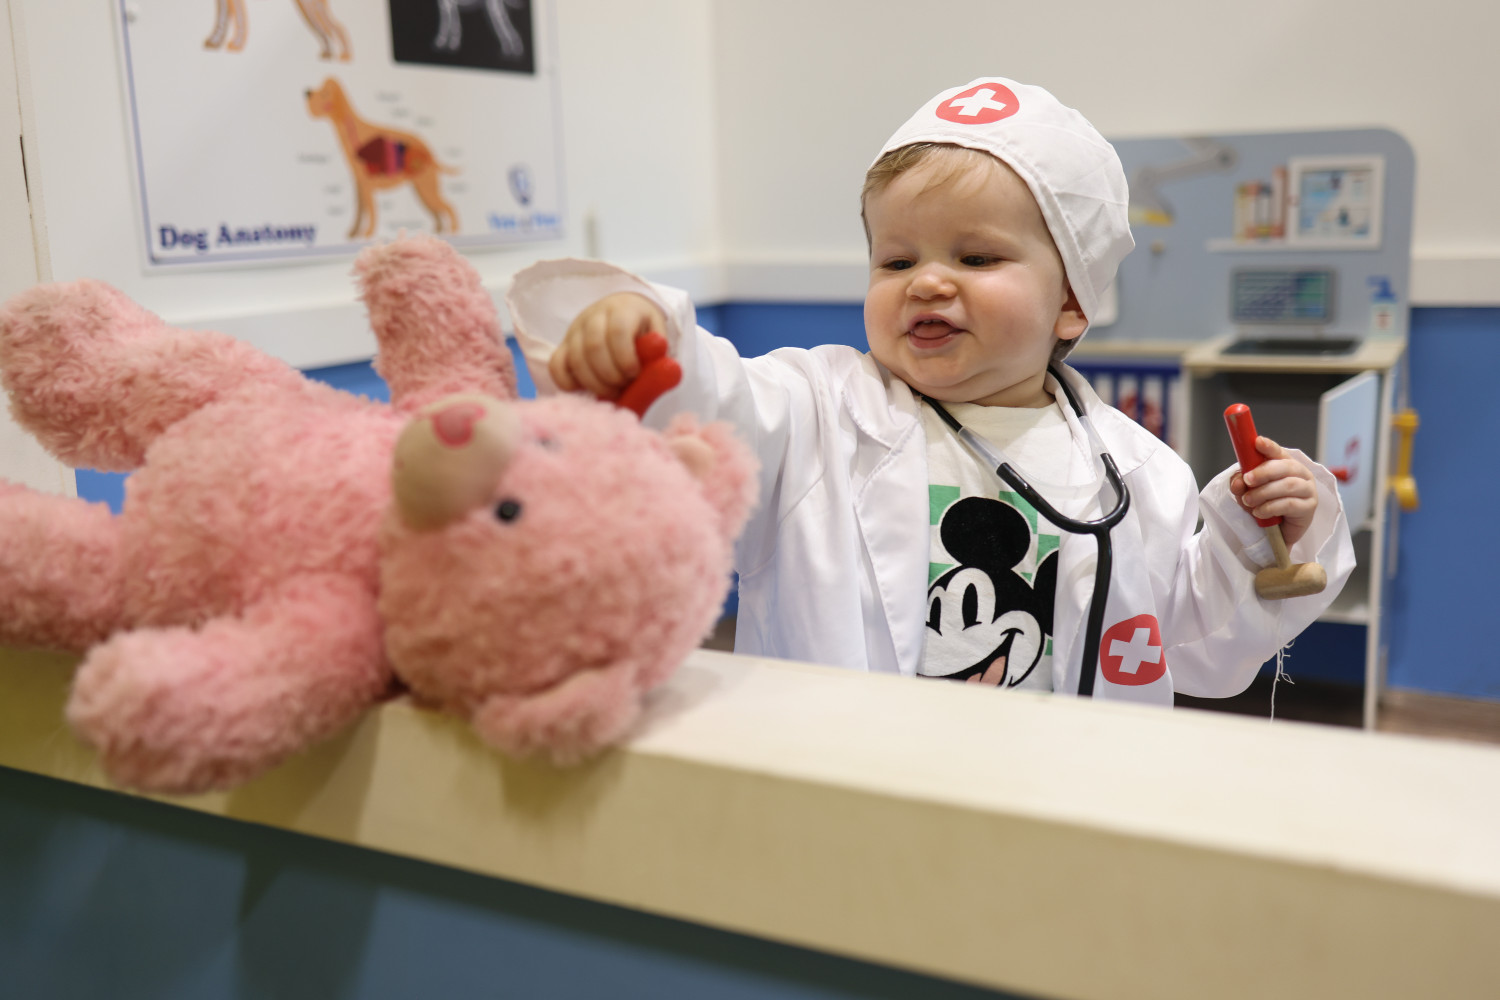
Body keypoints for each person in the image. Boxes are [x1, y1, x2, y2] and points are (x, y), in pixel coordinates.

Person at [506, 77, 1354, 704]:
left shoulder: (1138, 475)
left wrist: (1267, 535)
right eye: (896, 259)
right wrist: (641, 335)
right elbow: (713, 406)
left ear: (1071, 302)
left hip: (1054, 814)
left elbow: (1200, 650)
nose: (927, 282)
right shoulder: (815, 411)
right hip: (856, 806)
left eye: (976, 257)